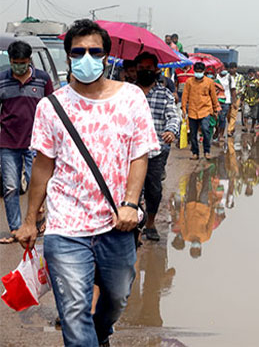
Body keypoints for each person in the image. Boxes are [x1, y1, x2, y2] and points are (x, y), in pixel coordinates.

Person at [15, 19, 159, 346]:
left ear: (107, 56)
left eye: (94, 51)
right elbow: (42, 166)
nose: (87, 58)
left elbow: (140, 155)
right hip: (66, 226)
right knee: (74, 309)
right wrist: (29, 221)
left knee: (119, 296)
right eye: (78, 52)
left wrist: (131, 204)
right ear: (68, 57)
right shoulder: (51, 107)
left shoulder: (131, 98)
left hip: (116, 223)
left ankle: (101, 332)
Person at [0, 40, 54, 244]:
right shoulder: (2, 80)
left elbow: (52, 108)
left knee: (37, 183)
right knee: (11, 187)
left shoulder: (42, 79)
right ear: (10, 61)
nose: (19, 66)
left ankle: (39, 220)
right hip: (8, 142)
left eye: (22, 62)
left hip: (36, 143)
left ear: (29, 60)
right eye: (15, 62)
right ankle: (15, 229)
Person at [134, 52, 181, 242]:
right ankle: (135, 228)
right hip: (130, 154)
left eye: (148, 68)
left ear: (155, 70)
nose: (145, 71)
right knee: (133, 193)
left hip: (154, 152)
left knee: (154, 192)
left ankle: (150, 223)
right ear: (136, 70)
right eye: (141, 68)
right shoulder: (127, 92)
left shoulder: (164, 94)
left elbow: (173, 115)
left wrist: (171, 131)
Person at [182, 62, 220, 160]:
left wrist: (216, 109)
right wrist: (183, 108)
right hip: (192, 110)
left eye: (200, 72)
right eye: (196, 71)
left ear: (203, 72)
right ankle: (195, 152)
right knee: (193, 133)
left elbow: (213, 96)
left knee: (205, 129)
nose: (198, 73)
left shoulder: (209, 82)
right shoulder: (189, 82)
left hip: (205, 110)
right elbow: (185, 95)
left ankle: (207, 151)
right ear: (194, 71)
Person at [226, 62, 243, 136]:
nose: (232, 70)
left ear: (236, 68)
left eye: (233, 68)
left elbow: (243, 87)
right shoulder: (227, 77)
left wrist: (238, 92)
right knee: (228, 114)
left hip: (236, 97)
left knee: (233, 114)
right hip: (227, 97)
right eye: (230, 68)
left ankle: (229, 130)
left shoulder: (240, 77)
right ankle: (232, 127)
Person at [216, 66, 233, 142]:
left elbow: (233, 89)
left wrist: (233, 101)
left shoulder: (229, 77)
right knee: (216, 118)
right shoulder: (215, 76)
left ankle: (221, 135)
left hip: (226, 101)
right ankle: (217, 131)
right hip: (216, 100)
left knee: (222, 118)